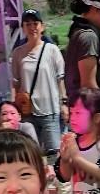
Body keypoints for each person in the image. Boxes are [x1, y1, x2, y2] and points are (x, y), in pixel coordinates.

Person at [10, 9, 67, 154]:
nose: (32, 28)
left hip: (50, 110)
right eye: (27, 24)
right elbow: (15, 82)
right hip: (27, 111)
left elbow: (60, 79)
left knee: (54, 152)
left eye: (35, 23)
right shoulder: (18, 53)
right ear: (23, 28)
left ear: (42, 26)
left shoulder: (52, 50)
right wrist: (14, 106)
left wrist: (64, 104)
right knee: (31, 152)